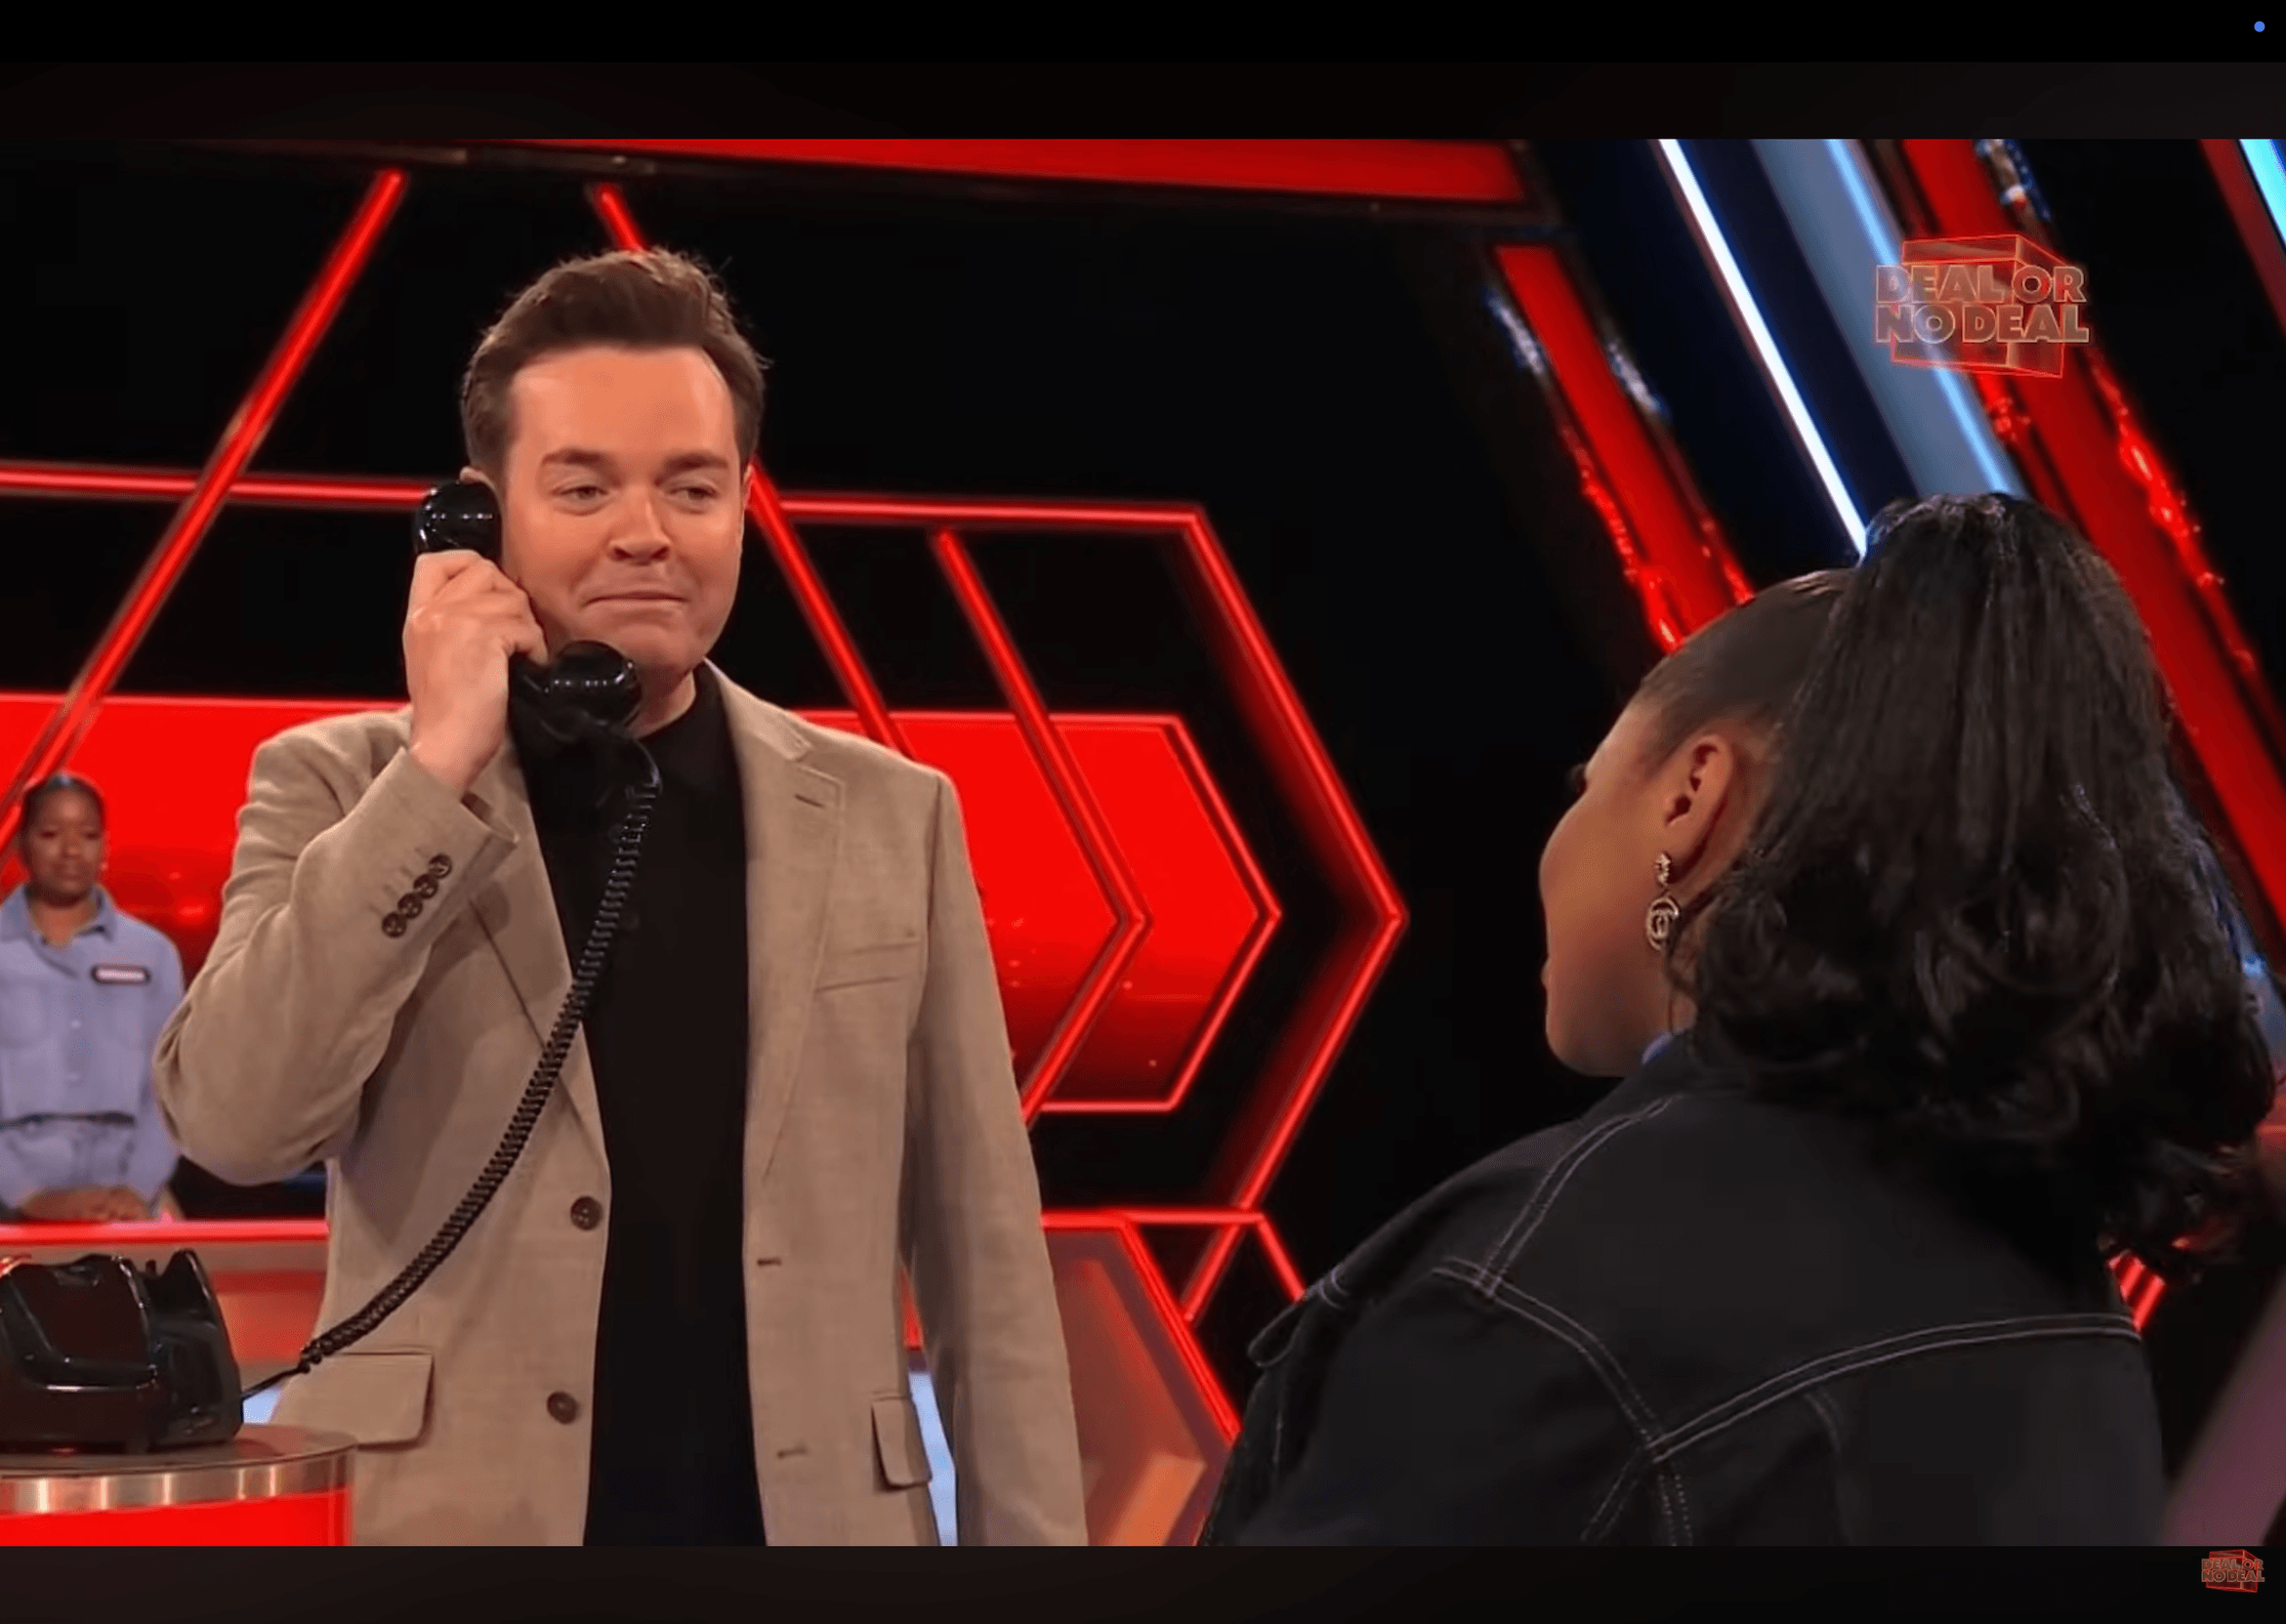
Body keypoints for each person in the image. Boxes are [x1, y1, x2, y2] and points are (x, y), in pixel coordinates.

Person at [153, 249, 1086, 1547]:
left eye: (691, 487)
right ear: (478, 519)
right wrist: (440, 766)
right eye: (584, 487)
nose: (646, 530)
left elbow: (986, 1256)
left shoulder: (895, 813)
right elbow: (236, 1123)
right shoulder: (345, 783)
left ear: (742, 507)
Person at [1202, 495, 2275, 1544]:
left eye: (1587, 780)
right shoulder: (2072, 1313)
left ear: (1690, 797)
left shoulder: (1556, 1283)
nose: (1560, 831)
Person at [0, 773, 187, 1224]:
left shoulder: (153, 954)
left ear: (105, 846)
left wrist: (136, 1189)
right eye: (50, 834)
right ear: (22, 845)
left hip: (121, 1197)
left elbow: (173, 1091)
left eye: (88, 835)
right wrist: (29, 1196)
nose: (71, 851)